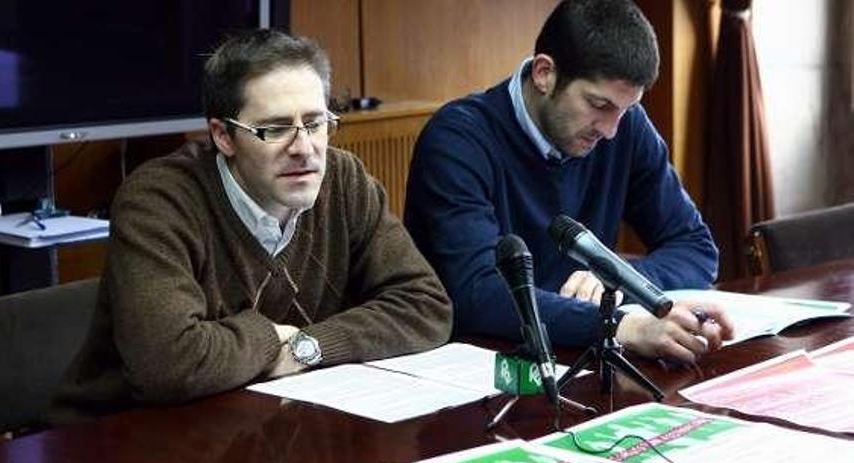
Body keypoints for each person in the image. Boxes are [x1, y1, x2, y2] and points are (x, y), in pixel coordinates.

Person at [51, 29, 452, 423]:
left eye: (315, 123)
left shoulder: (343, 180)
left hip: (265, 424)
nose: (304, 148)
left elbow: (425, 305)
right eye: (275, 129)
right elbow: (167, 366)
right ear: (223, 137)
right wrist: (266, 338)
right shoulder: (159, 200)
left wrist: (306, 347)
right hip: (122, 440)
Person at [404, 0, 733, 366]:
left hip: (587, 362)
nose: (610, 131)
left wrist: (617, 280)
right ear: (545, 73)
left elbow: (696, 247)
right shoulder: (457, 140)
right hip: (480, 370)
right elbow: (477, 295)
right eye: (599, 105)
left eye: (625, 110)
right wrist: (616, 324)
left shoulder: (626, 127)